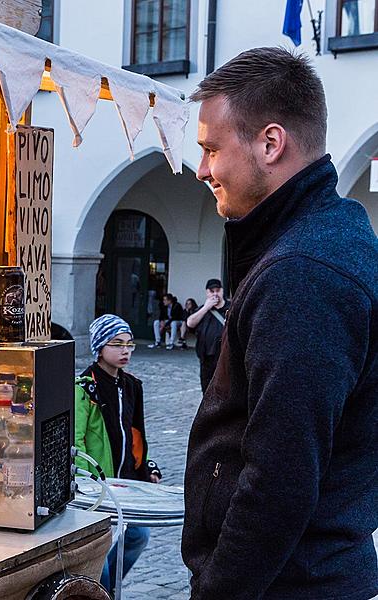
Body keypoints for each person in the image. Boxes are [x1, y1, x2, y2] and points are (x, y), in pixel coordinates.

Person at [182, 47, 378, 600]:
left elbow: (280, 482)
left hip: (292, 587)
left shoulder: (302, 271)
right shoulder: (311, 243)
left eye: (211, 149)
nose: (201, 170)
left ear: (270, 143)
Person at [74, 314, 161, 594]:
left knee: (137, 534)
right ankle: (104, 593)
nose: (125, 350)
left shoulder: (132, 385)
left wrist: (146, 467)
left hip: (127, 480)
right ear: (100, 347)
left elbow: (136, 433)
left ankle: (106, 591)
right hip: (99, 484)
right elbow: (76, 439)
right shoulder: (85, 387)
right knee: (102, 549)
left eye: (129, 344)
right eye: (117, 344)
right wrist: (88, 480)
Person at [184, 280, 228, 392]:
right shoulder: (203, 310)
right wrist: (206, 308)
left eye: (218, 291)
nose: (215, 294)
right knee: (207, 391)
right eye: (211, 291)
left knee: (225, 391)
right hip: (207, 359)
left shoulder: (230, 308)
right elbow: (190, 323)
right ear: (207, 293)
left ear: (222, 291)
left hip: (226, 359)